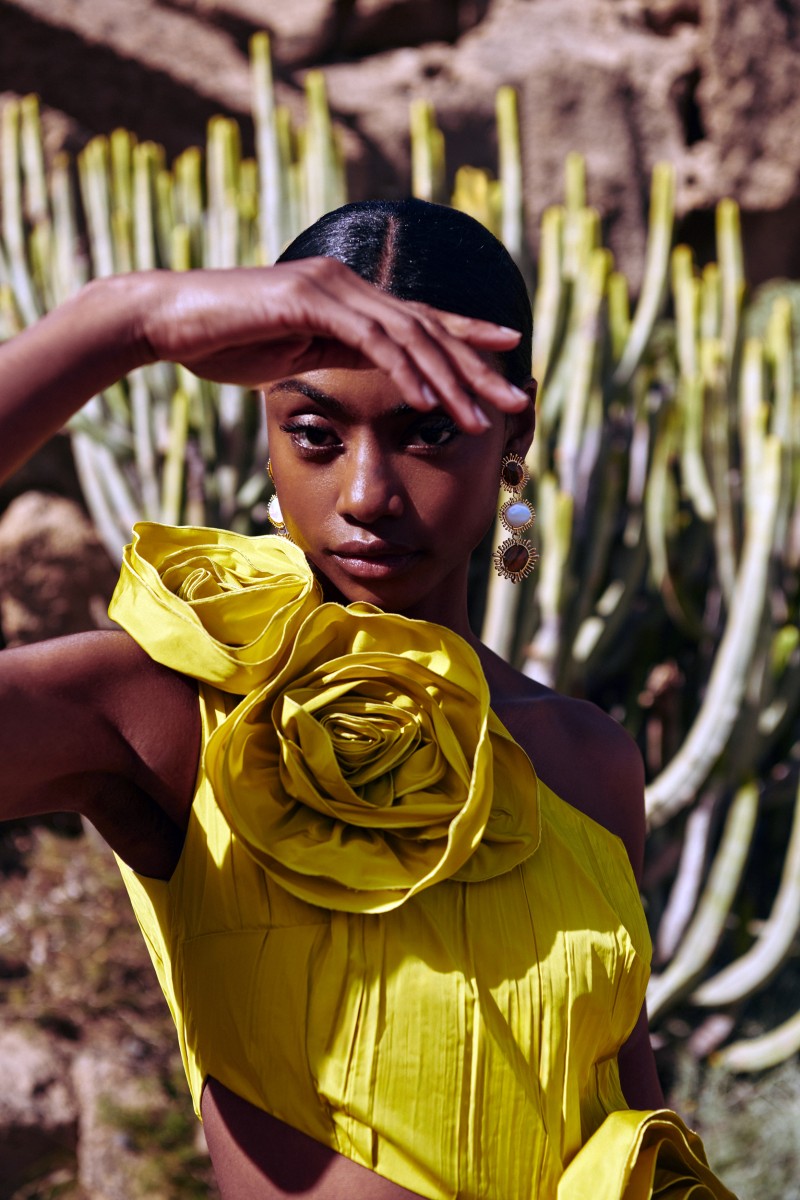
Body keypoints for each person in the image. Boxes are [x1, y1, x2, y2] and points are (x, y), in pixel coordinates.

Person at [0, 199, 734, 1200]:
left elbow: (634, 1138)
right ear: (263, 432)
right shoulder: (168, 707)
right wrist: (121, 322)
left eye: (425, 431)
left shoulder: (585, 762)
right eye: (314, 431)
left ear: (509, 432)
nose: (364, 492)